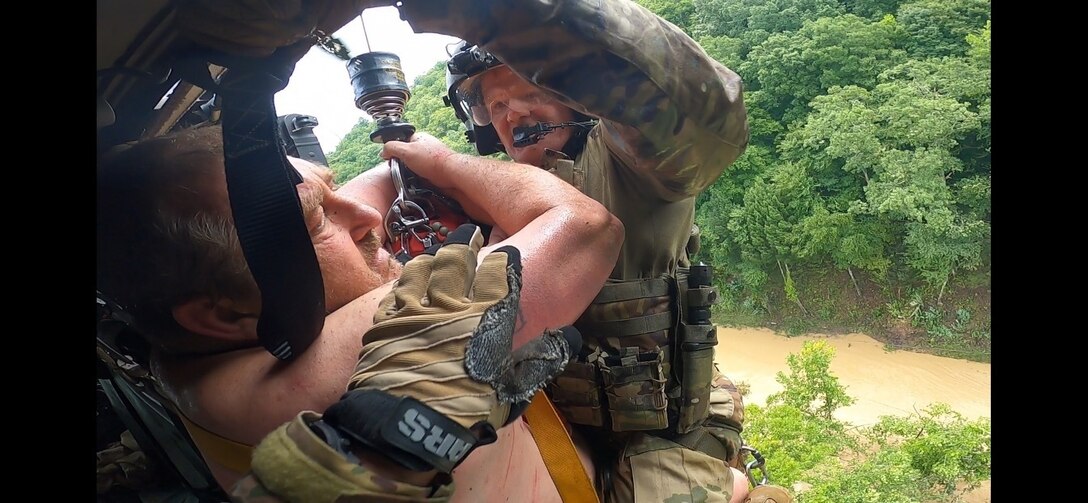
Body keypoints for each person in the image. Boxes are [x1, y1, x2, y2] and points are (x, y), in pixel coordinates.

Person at [170, 0, 797, 501]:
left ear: (577, 93)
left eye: (525, 87)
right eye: (488, 104)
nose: (510, 113)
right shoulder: (480, 189)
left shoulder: (634, 166)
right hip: (554, 434)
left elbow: (705, 111)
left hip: (658, 443)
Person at [97, 125, 757, 501]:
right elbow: (582, 226)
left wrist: (383, 166)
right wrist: (437, 158)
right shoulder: (334, 362)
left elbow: (352, 198)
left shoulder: (195, 351)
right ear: (214, 311)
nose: (368, 222)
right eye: (319, 219)